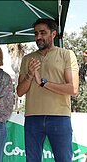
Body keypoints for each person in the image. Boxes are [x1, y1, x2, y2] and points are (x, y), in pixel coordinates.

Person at [17, 18, 79, 162]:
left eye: (43, 33)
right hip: (32, 118)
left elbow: (73, 88)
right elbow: (20, 92)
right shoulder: (28, 58)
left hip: (59, 117)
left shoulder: (67, 54)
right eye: (36, 33)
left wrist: (44, 83)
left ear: (53, 34)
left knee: (63, 159)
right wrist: (29, 75)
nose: (38, 37)